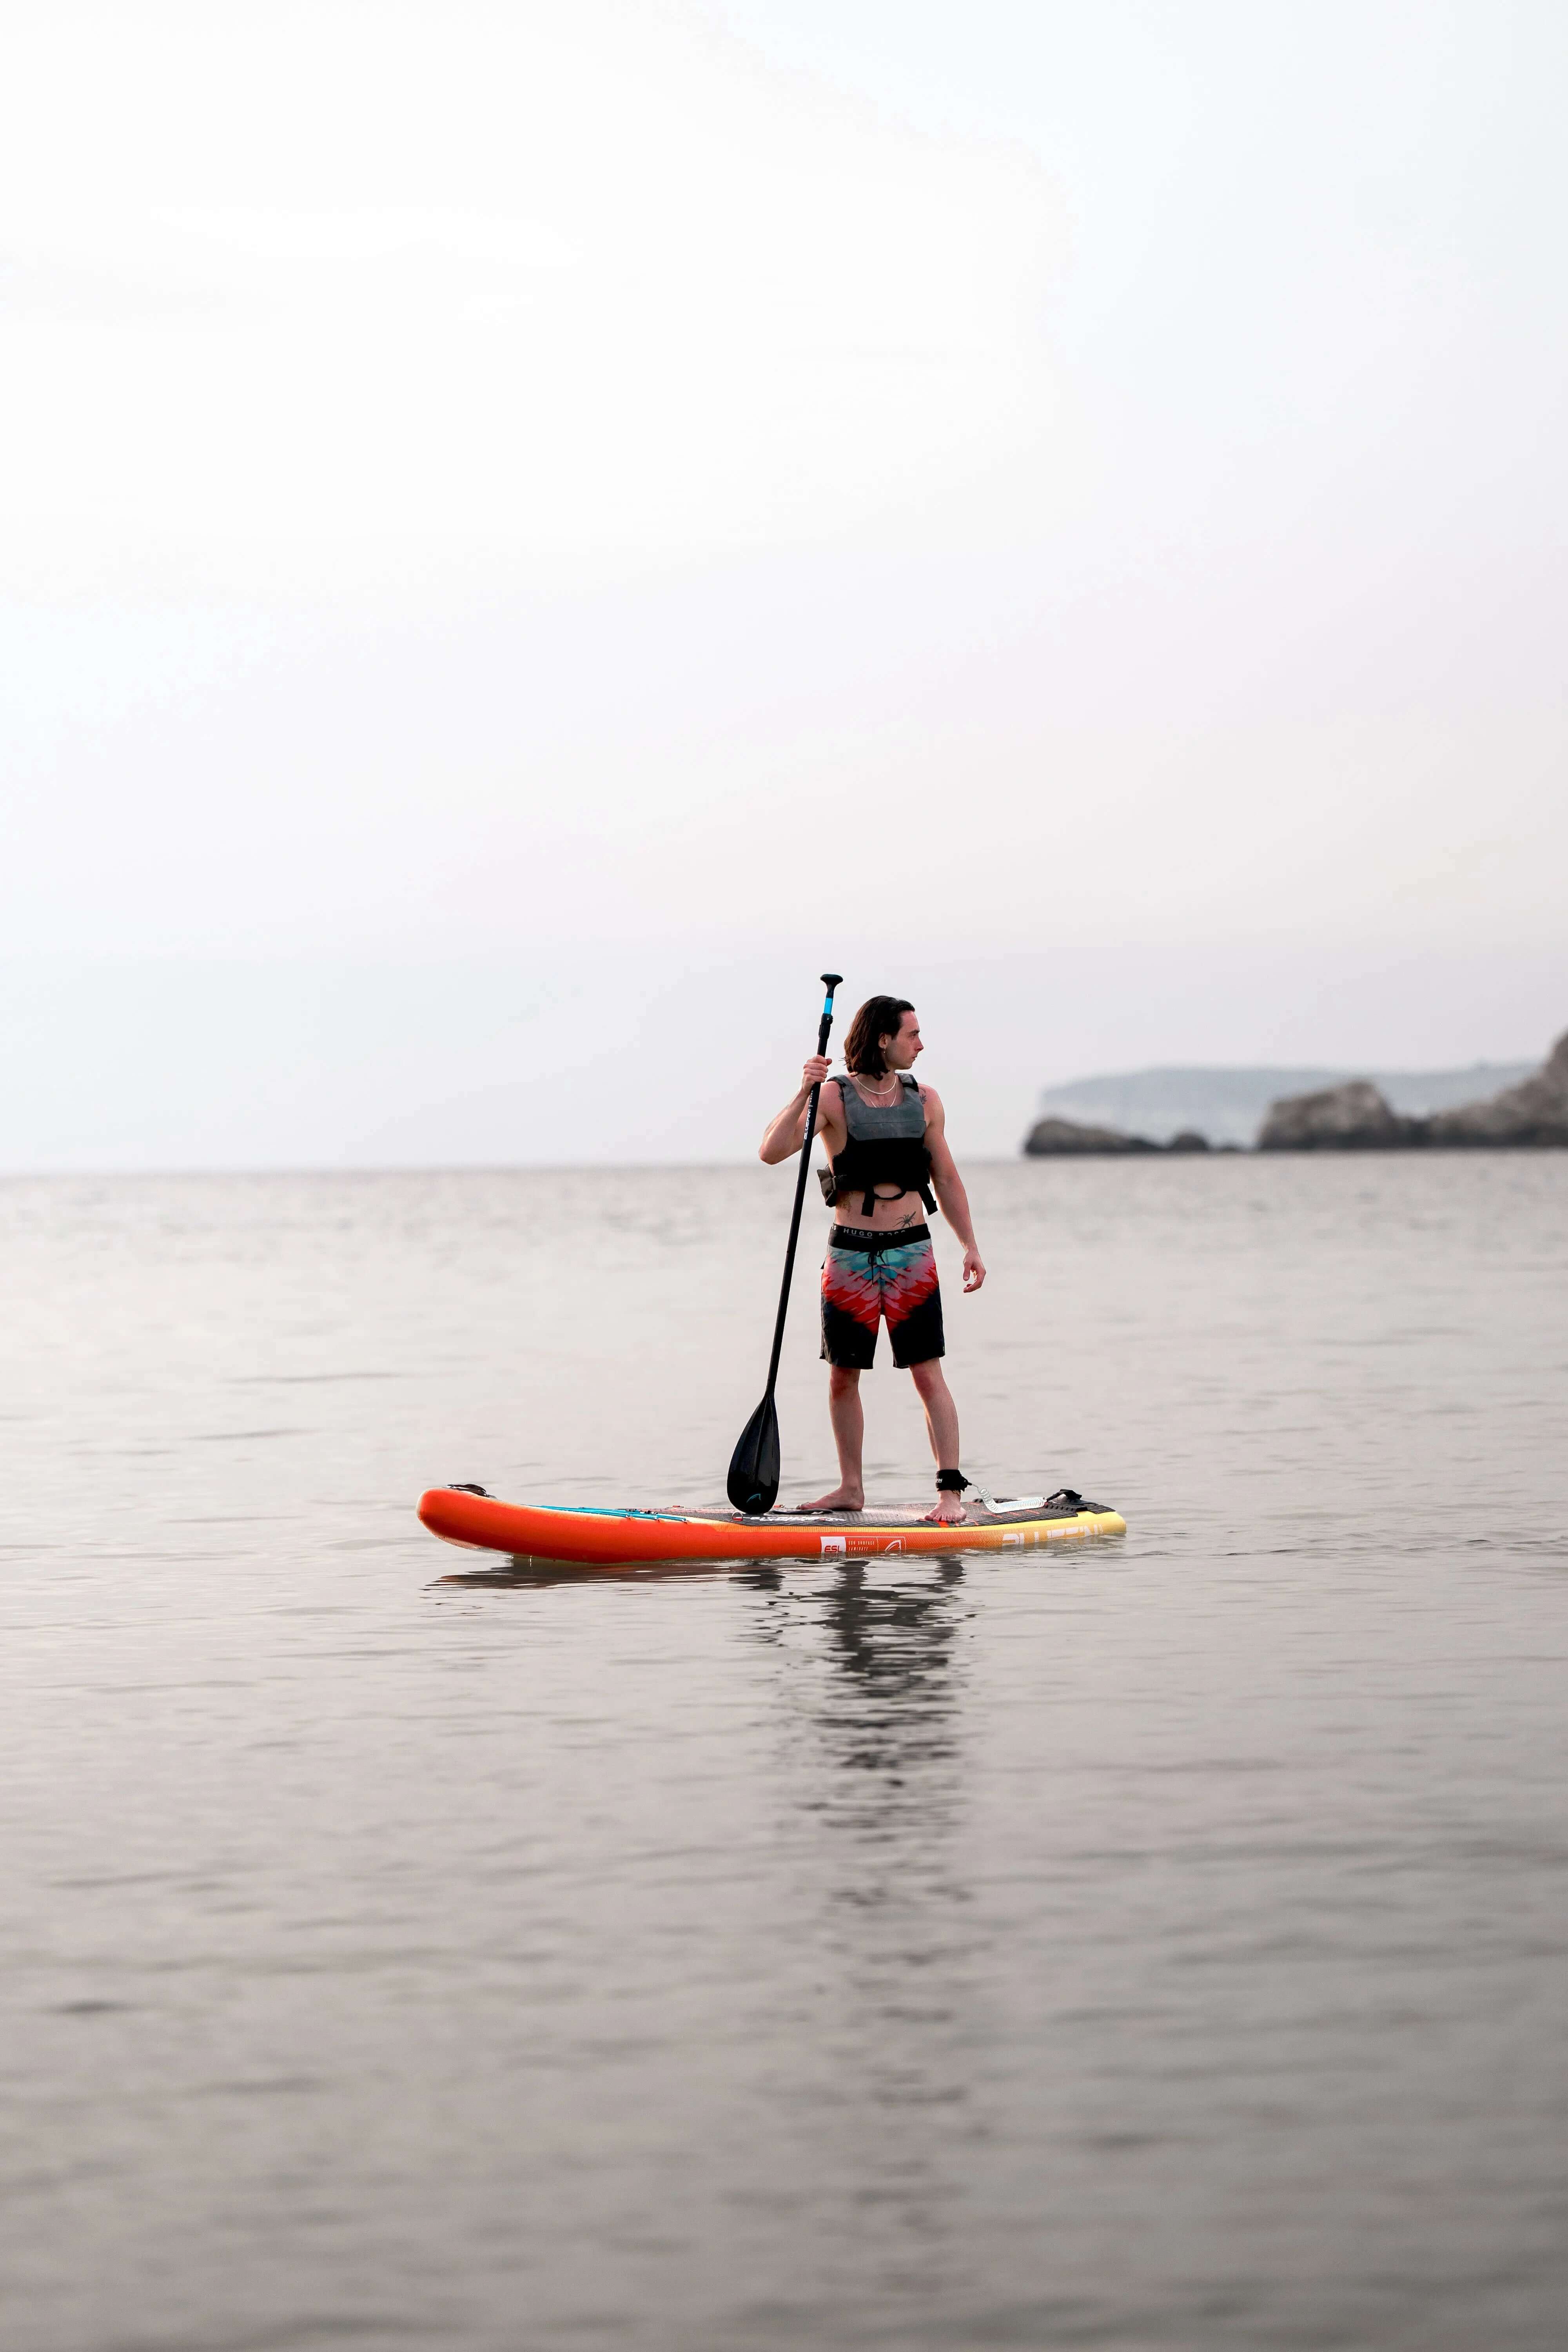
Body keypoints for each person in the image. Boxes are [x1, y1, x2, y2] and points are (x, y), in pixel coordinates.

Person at [758, 995, 986, 1524]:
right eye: (913, 1034)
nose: (921, 1044)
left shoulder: (925, 1100)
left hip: (911, 1253)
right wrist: (803, 1091)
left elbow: (946, 1178)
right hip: (850, 1257)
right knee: (843, 1376)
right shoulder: (833, 1099)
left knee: (927, 1374)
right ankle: (850, 1489)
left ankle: (949, 1493)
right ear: (883, 1039)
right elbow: (772, 1151)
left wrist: (970, 1245)